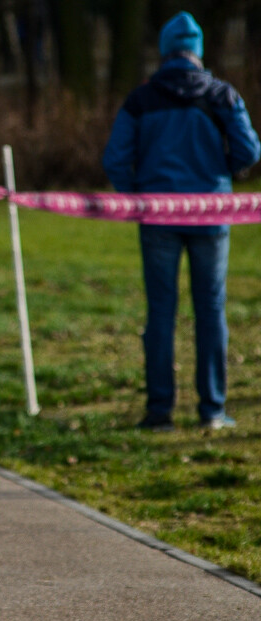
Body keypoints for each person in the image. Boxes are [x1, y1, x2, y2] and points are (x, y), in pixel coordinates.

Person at [103, 11, 261, 432]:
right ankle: (212, 411)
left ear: (165, 50)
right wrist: (221, 171)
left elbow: (115, 159)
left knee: (161, 312)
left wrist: (137, 194)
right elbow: (249, 150)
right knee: (211, 310)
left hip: (157, 218)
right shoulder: (221, 94)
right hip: (212, 214)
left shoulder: (141, 99)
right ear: (198, 51)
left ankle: (159, 413)